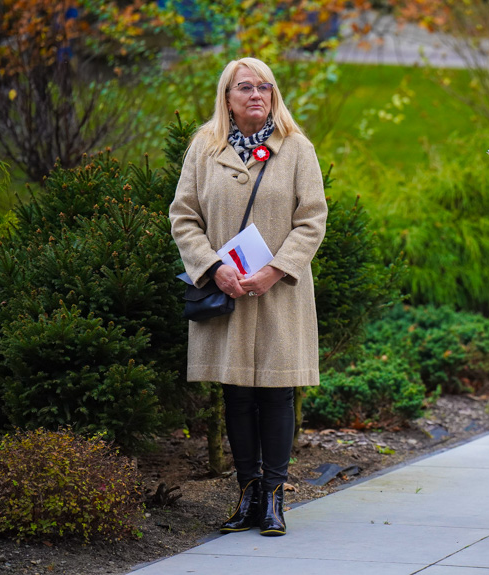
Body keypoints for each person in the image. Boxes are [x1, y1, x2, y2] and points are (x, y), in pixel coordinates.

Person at [170, 57, 327, 537]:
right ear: (227, 97)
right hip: (228, 292)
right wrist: (213, 268)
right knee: (236, 394)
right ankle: (248, 492)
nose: (257, 95)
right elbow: (184, 216)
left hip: (279, 294)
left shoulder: (297, 148)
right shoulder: (204, 148)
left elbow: (312, 219)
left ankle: (275, 497)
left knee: (277, 393)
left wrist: (275, 271)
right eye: (245, 87)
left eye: (265, 87)